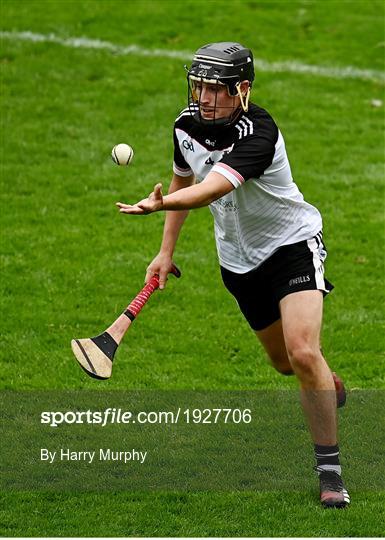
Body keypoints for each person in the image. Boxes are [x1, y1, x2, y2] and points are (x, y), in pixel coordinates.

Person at [116, 42, 350, 508]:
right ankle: (327, 382)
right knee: (285, 363)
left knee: (303, 351)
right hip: (239, 264)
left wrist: (159, 204)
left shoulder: (258, 132)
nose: (204, 96)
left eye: (215, 88)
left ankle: (330, 473)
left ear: (241, 90)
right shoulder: (185, 126)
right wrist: (165, 251)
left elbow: (207, 191)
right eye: (199, 85)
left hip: (291, 248)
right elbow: (184, 178)